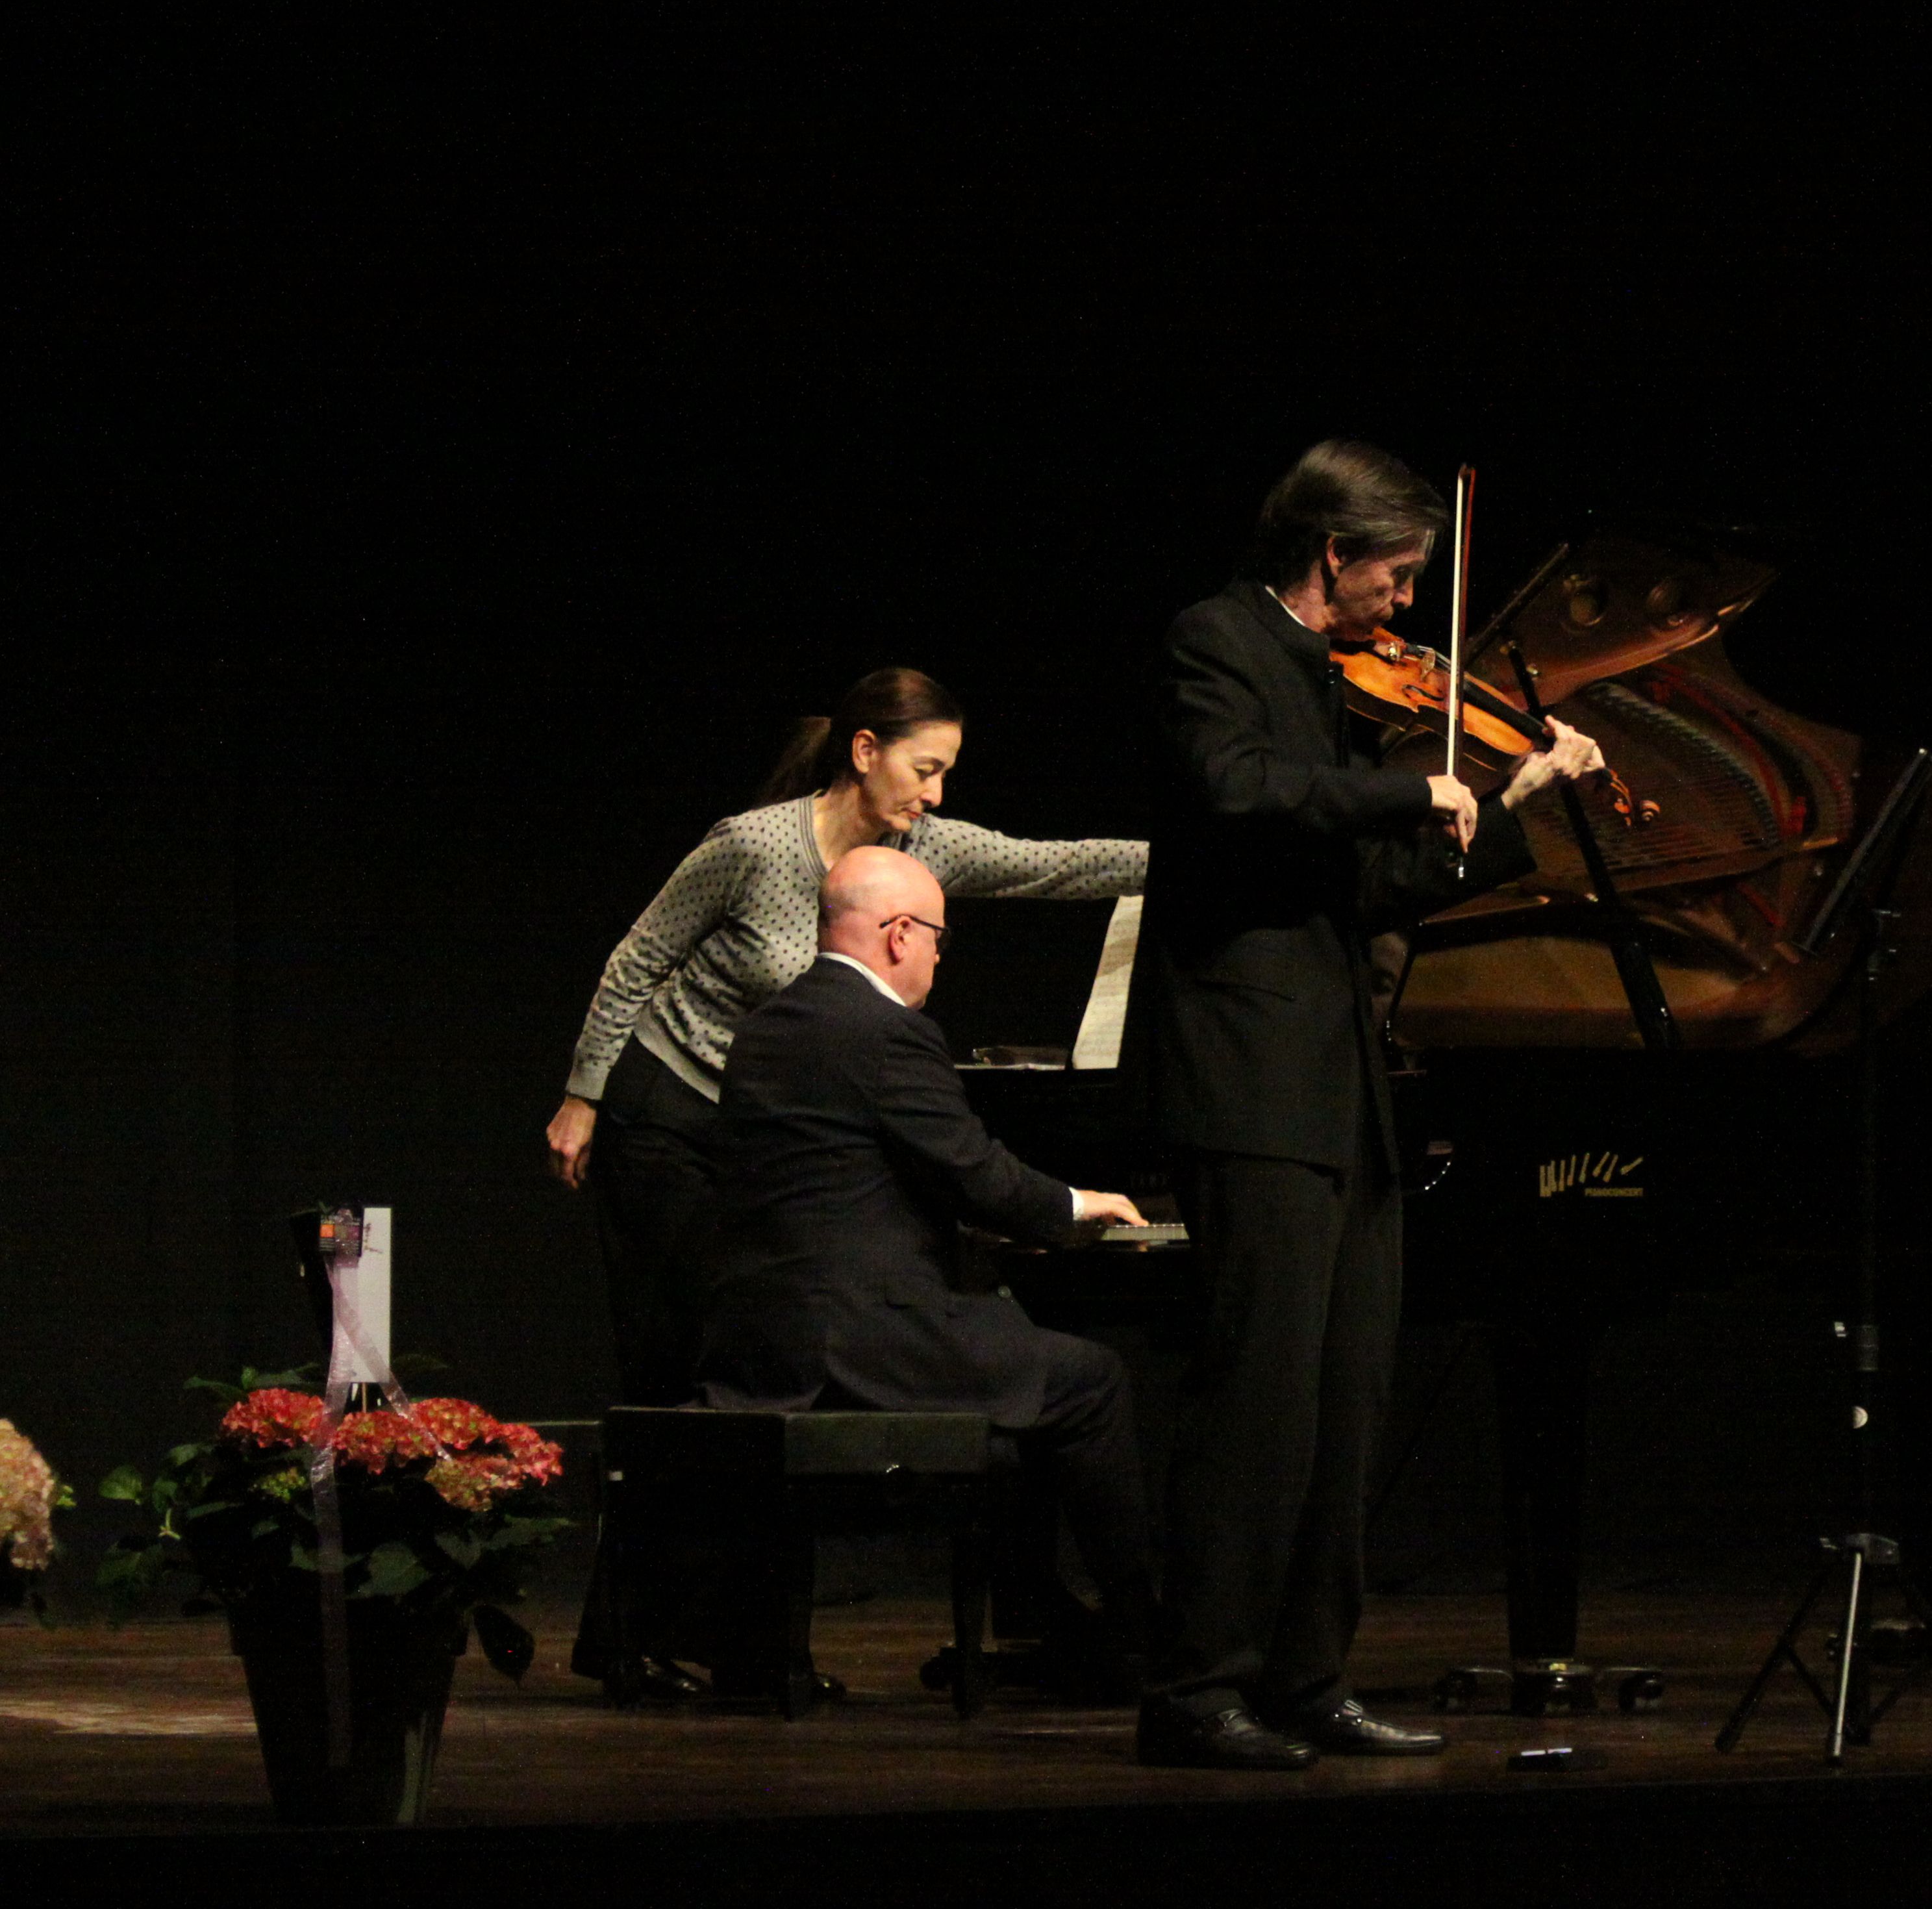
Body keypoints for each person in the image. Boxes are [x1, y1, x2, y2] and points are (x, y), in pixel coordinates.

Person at [1134, 439, 1609, 1769]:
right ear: (1331, 554)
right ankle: (1195, 1693)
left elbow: (1363, 893)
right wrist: (1410, 786)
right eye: (1396, 577)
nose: (1406, 607)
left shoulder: (1323, 679)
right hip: (1247, 1081)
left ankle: (1305, 1680)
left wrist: (1503, 808)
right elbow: (1235, 797)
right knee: (1260, 1403)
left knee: (1345, 1407)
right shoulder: (1216, 642)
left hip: (1341, 1087)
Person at [546, 666, 1142, 1697]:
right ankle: (637, 1640)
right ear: (864, 753)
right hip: (672, 1112)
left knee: (765, 1368)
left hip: (762, 1131)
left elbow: (1052, 866)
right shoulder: (753, 845)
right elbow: (636, 962)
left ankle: (757, 1649)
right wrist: (584, 1095)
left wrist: (1207, 858)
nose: (938, 794)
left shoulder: (921, 850)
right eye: (925, 768)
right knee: (687, 1381)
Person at [694, 846, 1158, 1671]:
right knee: (1089, 1381)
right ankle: (1140, 1631)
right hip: (858, 1336)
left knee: (1015, 1373)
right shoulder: (887, 1034)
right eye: (941, 939)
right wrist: (1078, 1204)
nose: (941, 957)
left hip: (758, 1337)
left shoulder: (766, 1029)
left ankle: (1036, 1611)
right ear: (901, 935)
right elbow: (975, 1174)